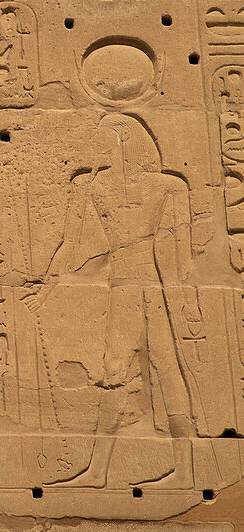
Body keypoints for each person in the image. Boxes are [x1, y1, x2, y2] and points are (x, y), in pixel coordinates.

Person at [27, 113, 197, 488]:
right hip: (123, 287)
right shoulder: (88, 187)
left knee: (166, 367)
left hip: (151, 287)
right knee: (113, 370)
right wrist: (47, 289)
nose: (97, 149)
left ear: (124, 141)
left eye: (104, 140)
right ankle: (100, 470)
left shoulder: (168, 185)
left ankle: (185, 470)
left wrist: (186, 302)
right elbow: (69, 246)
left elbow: (176, 249)